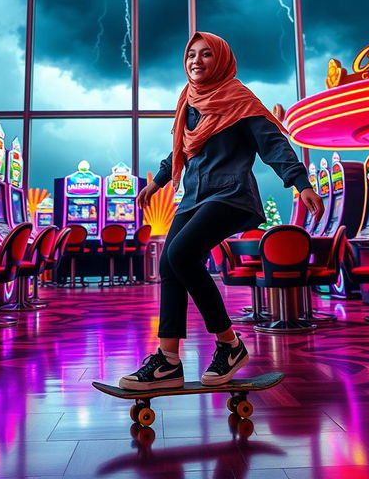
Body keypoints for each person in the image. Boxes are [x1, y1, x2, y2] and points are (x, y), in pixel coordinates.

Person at [119, 31, 323, 391]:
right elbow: (182, 150)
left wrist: (300, 182)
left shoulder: (239, 99)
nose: (196, 61)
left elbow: (272, 143)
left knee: (182, 255)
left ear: (223, 59)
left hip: (230, 193)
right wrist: (158, 181)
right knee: (170, 263)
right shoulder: (189, 101)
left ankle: (230, 345)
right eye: (190, 55)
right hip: (194, 194)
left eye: (206, 55)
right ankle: (167, 359)